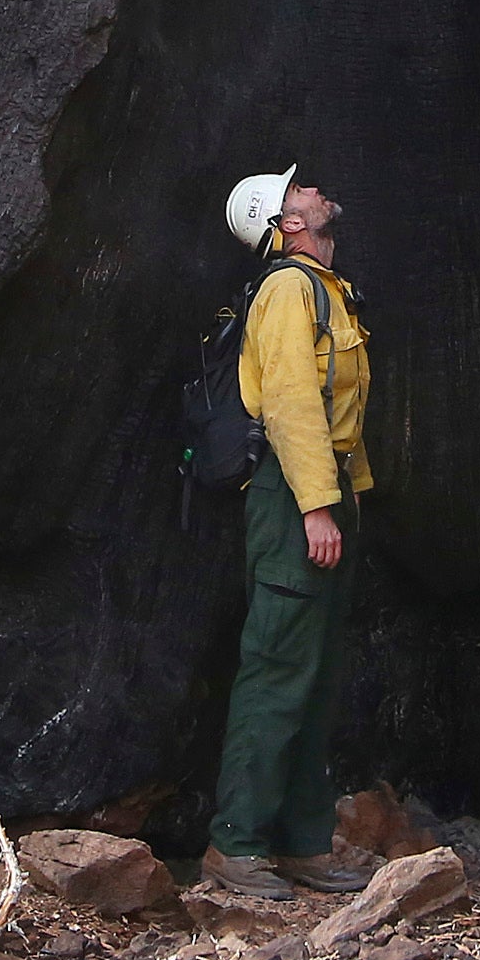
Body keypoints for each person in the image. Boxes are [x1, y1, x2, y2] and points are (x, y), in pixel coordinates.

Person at [202, 165, 375, 900]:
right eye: (298, 193)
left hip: (326, 493)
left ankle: (303, 842)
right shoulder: (285, 290)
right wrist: (315, 507)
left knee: (316, 675)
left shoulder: (325, 287)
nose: (313, 192)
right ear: (288, 223)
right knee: (276, 668)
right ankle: (234, 845)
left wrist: (347, 498)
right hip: (293, 497)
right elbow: (292, 403)